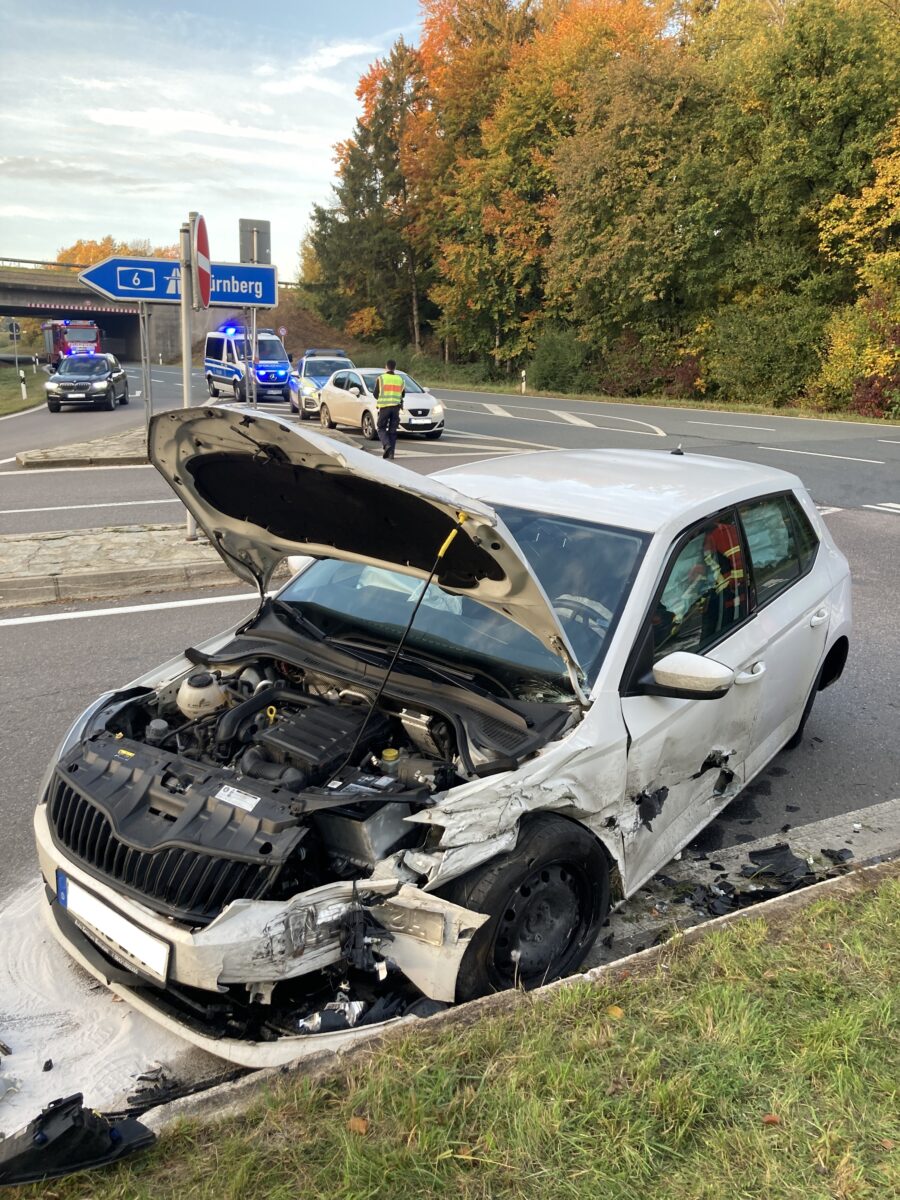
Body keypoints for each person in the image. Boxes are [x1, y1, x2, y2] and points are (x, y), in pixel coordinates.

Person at [373, 359, 406, 459]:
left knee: (381, 428)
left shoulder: (381, 378)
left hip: (384, 408)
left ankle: (386, 445)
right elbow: (403, 395)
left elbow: (375, 394)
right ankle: (392, 454)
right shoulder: (400, 379)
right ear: (395, 368)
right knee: (393, 431)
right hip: (396, 408)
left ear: (386, 367)